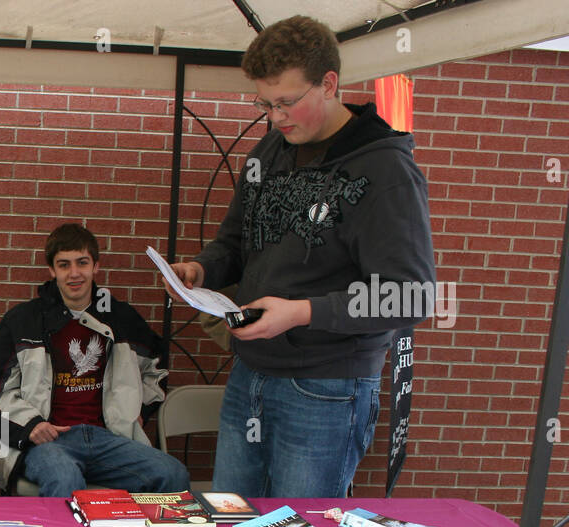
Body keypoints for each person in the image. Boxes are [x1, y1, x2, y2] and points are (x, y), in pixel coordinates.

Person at [168, 14, 436, 498]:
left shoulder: (386, 171)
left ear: (329, 84)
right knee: (229, 522)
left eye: (287, 102)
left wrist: (302, 313)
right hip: (250, 372)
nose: (276, 117)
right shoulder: (271, 150)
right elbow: (235, 241)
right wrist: (201, 268)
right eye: (265, 103)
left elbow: (409, 298)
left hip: (326, 388)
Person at [0, 223, 189, 497]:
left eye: (82, 263)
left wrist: (140, 408)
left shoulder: (121, 318)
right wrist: (31, 427)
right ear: (52, 271)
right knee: (65, 479)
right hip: (49, 442)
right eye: (64, 265)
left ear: (96, 266)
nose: (74, 273)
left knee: (173, 474)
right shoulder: (23, 321)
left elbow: (157, 370)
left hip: (109, 438)